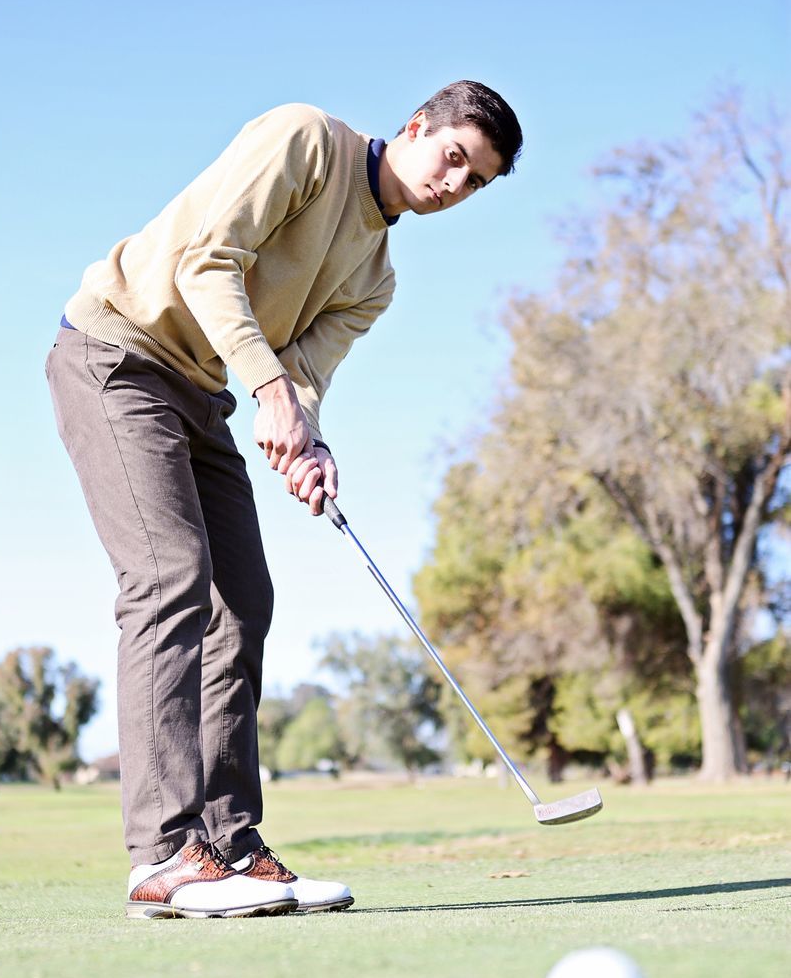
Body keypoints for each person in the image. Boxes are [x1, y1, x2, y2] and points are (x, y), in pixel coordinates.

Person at [46, 80, 523, 919]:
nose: (454, 185)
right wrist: (268, 390)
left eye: (474, 181)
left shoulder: (376, 277)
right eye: (453, 157)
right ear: (416, 127)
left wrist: (308, 439)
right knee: (168, 579)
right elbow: (206, 259)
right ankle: (162, 856)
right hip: (115, 357)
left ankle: (229, 844)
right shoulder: (308, 139)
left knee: (244, 604)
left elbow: (302, 380)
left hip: (199, 394)